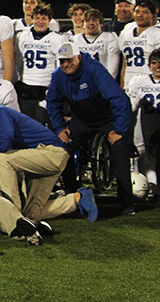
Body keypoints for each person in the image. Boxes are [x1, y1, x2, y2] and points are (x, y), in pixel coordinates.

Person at [0, 90, 96, 223]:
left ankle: (13, 214)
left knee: (1, 158)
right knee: (32, 214)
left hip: (51, 153)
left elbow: (3, 145)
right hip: (41, 158)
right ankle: (79, 198)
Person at [46, 41, 136, 215]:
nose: (65, 64)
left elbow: (120, 99)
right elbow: (53, 102)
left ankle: (127, 203)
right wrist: (59, 128)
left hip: (106, 118)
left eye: (69, 60)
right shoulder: (58, 76)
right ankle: (74, 196)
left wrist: (119, 130)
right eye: (62, 61)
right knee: (62, 149)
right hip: (82, 120)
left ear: (78, 58)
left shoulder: (95, 70)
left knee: (119, 148)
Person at [124, 48, 160, 204]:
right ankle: (155, 189)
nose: (157, 66)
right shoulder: (140, 81)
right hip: (148, 123)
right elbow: (132, 108)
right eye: (154, 63)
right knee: (149, 156)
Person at [73, 8, 121, 80]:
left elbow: (113, 70)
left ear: (101, 23)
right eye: (87, 20)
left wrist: (106, 84)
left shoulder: (110, 38)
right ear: (83, 24)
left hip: (102, 81)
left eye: (94, 20)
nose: (91, 23)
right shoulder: (75, 40)